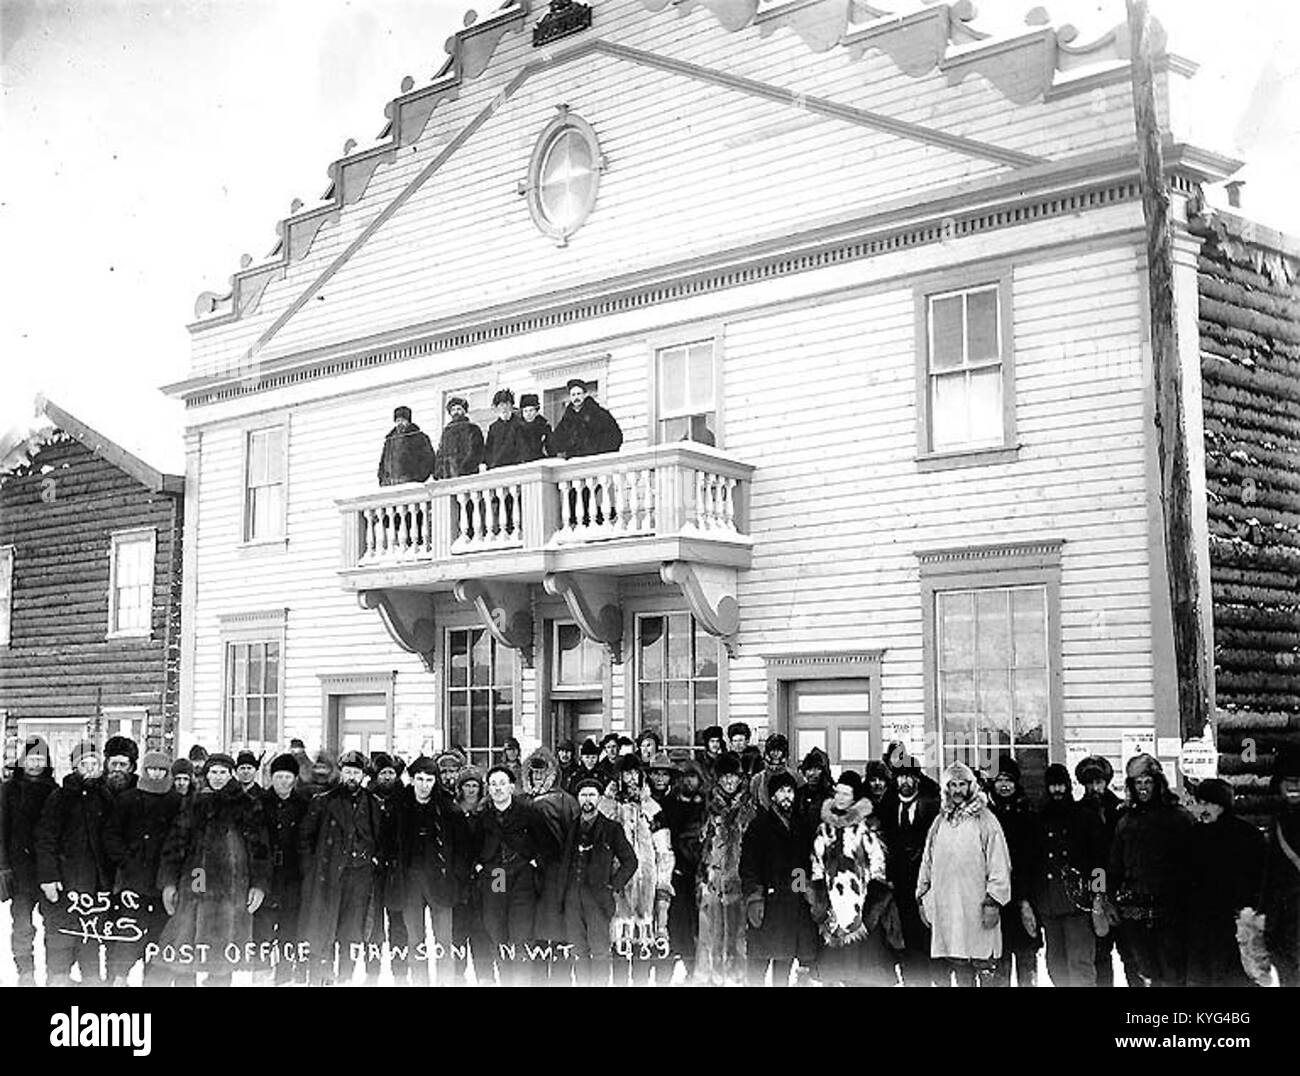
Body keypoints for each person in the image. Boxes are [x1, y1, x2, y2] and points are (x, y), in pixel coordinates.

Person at [155, 753, 270, 986]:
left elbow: (260, 849)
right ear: (206, 775)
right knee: (186, 943)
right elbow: (175, 844)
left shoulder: (247, 805)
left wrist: (259, 885)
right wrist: (168, 883)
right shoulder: (194, 803)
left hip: (233, 885)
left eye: (223, 772)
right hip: (198, 879)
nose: (218, 777)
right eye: (213, 772)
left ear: (231, 775)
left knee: (222, 954)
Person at [915, 760, 1012, 987]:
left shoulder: (986, 820)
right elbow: (927, 862)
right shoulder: (940, 821)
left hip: (978, 909)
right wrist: (923, 896)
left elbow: (999, 863)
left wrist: (993, 901)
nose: (957, 790)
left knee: (984, 966)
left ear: (971, 786)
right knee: (960, 968)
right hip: (950, 909)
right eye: (952, 785)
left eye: (962, 785)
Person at [1105, 753, 1193, 987]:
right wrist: (1109, 900)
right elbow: (1114, 866)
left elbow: (1192, 865)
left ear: (1158, 783)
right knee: (1142, 972)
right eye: (1138, 783)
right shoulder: (1125, 821)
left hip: (1171, 910)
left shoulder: (1179, 818)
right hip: (1135, 910)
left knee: (1173, 973)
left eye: (1148, 782)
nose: (1143, 788)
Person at [298, 750, 385, 985]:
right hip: (328, 876)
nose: (351, 777)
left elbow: (382, 839)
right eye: (347, 772)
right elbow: (305, 838)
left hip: (360, 876)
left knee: (352, 931)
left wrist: (375, 860)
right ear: (341, 773)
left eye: (356, 773)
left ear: (363, 775)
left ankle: (345, 978)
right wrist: (313, 869)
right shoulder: (324, 801)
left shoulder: (375, 804)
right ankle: (319, 979)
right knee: (324, 929)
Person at [809, 770, 901, 986]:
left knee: (865, 975)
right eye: (837, 793)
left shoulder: (868, 827)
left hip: (863, 912)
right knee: (833, 974)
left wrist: (870, 912)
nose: (839, 798)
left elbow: (880, 869)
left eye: (845, 794)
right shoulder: (824, 828)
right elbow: (816, 866)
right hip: (833, 913)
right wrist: (820, 902)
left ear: (854, 798)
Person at [36, 740, 116, 985]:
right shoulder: (60, 797)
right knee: (60, 940)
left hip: (94, 886)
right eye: (84, 763)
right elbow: (45, 839)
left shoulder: (105, 797)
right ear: (74, 767)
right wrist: (48, 877)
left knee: (90, 940)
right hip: (64, 884)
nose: (90, 768)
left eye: (94, 763)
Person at [473, 765, 559, 985]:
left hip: (522, 873)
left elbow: (548, 845)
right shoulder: (483, 815)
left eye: (502, 783)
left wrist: (533, 863)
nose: (498, 788)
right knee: (497, 926)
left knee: (521, 930)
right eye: (493, 784)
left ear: (512, 787)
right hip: (497, 874)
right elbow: (471, 846)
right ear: (488, 789)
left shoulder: (529, 812)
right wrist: (480, 866)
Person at [104, 750, 183, 985]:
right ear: (144, 770)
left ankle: (154, 980)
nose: (156, 774)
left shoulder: (176, 801)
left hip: (164, 878)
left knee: (160, 932)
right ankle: (120, 977)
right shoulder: (128, 799)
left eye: (161, 769)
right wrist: (126, 859)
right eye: (152, 769)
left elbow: (184, 837)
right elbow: (111, 834)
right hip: (133, 879)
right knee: (129, 929)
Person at [598, 755, 675, 985]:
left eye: (635, 773)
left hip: (646, 886)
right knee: (619, 951)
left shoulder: (652, 808)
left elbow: (664, 850)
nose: (631, 779)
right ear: (618, 776)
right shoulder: (607, 807)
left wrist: (663, 883)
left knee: (643, 948)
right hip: (617, 885)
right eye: (626, 773)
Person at [1183, 778, 1266, 987]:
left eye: (1210, 803)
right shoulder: (1193, 835)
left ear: (1224, 805)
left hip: (1235, 922)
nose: (1203, 808)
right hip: (1201, 922)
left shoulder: (1247, 835)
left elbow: (1260, 877)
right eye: (1200, 802)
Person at [391, 756, 466, 986]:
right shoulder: (398, 807)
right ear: (412, 779)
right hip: (410, 880)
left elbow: (463, 846)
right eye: (419, 779)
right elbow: (387, 842)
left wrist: (457, 876)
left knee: (444, 939)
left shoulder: (448, 808)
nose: (424, 785)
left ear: (436, 781)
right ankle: (419, 981)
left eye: (429, 780)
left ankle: (445, 981)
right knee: (415, 939)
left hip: (440, 880)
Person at [1030, 762, 1106, 987]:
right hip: (1049, 905)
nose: (1057, 791)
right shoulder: (1038, 819)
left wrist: (1098, 895)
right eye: (1053, 786)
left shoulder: (1085, 817)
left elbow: (1099, 861)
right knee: (1056, 966)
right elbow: (1033, 862)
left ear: (1069, 786)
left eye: (1061, 785)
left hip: (1079, 906)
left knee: (1080, 965)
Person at [559, 778, 638, 987]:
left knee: (600, 951)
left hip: (598, 898)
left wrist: (614, 885)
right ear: (578, 798)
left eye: (592, 795)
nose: (588, 799)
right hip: (572, 898)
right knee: (578, 951)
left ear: (600, 798)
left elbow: (631, 861)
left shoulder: (611, 828)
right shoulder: (571, 827)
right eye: (584, 795)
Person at [741, 771, 817, 986]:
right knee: (757, 967)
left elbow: (802, 863)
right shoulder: (759, 826)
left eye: (790, 791)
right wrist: (755, 897)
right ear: (772, 796)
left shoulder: (800, 826)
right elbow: (748, 866)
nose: (786, 796)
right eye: (781, 791)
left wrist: (801, 891)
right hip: (766, 903)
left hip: (790, 907)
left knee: (783, 966)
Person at [877, 752, 941, 986]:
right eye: (900, 777)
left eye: (909, 777)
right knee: (901, 936)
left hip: (924, 882)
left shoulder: (931, 806)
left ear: (917, 779)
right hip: (898, 883)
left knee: (924, 934)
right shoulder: (887, 804)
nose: (905, 782)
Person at [694, 752, 756, 985]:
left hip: (739, 881)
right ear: (718, 779)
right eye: (725, 777)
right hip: (711, 882)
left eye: (734, 777)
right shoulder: (707, 806)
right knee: (710, 933)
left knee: (738, 935)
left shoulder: (749, 808)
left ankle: (736, 978)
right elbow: (691, 840)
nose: (730, 782)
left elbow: (756, 846)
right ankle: (708, 978)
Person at [0, 736, 57, 985]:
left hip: (47, 872)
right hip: (19, 869)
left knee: (54, 925)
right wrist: (3, 866)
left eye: (40, 759)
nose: (35, 764)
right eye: (31, 758)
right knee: (22, 925)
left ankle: (55, 972)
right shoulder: (8, 790)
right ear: (23, 761)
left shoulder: (54, 791)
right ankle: (26, 971)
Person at [520, 747, 579, 982]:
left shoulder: (566, 801)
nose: (537, 777)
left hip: (555, 871)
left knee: (555, 927)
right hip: (525, 872)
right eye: (533, 773)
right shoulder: (519, 800)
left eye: (542, 773)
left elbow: (575, 836)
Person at [254, 753, 312, 985]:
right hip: (266, 876)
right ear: (271, 778)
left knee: (290, 927)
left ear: (295, 779)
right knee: (263, 928)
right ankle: (261, 974)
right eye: (278, 776)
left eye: (288, 776)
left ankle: (285, 975)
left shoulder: (304, 805)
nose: (283, 781)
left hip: (292, 875)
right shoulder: (258, 802)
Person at [985, 756, 1041, 987]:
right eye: (999, 780)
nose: (1004, 785)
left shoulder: (1028, 814)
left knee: (1027, 965)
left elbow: (1034, 860)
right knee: (999, 964)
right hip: (997, 902)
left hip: (1025, 900)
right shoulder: (985, 816)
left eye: (1008, 779)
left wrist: (1026, 899)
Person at [1076, 753, 1130, 986]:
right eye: (1089, 783)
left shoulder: (1120, 810)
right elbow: (1091, 861)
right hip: (1096, 889)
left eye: (1098, 782)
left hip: (1124, 890)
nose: (1094, 788)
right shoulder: (1079, 813)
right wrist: (1099, 893)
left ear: (1106, 782)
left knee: (1130, 953)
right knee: (1100, 952)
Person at [661, 759, 707, 982]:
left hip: (700, 872)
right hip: (676, 870)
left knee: (698, 924)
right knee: (675, 921)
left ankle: (694, 969)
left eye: (693, 776)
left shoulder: (705, 805)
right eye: (685, 776)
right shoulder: (670, 804)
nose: (689, 781)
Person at [364, 751, 407, 984]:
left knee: (399, 922)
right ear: (376, 775)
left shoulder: (404, 798)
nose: (387, 777)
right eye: (383, 773)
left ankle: (400, 972)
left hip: (397, 870)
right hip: (372, 868)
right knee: (374, 923)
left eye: (391, 773)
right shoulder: (367, 798)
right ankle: (372, 972)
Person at [1262, 743, 1300, 987]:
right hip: (1284, 920)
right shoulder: (1280, 819)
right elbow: (1272, 874)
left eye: (1299, 781)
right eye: (1289, 781)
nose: (1294, 787)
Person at [452, 764, 490, 984]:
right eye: (467, 785)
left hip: (486, 878)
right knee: (458, 930)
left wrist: (498, 887)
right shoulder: (453, 811)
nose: (471, 790)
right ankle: (458, 974)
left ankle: (485, 976)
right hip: (460, 879)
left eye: (475, 785)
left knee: (483, 931)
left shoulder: (487, 811)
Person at [549, 378, 623, 459]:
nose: (576, 397)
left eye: (578, 394)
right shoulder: (566, 420)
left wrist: (601, 453)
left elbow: (615, 435)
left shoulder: (598, 414)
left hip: (595, 461)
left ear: (584, 394)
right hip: (575, 463)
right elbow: (555, 442)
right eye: (573, 395)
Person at [377, 405, 436, 485]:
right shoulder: (389, 441)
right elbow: (382, 463)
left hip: (410, 483)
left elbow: (428, 459)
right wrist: (382, 479)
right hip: (390, 484)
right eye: (398, 420)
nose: (400, 423)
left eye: (403, 420)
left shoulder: (418, 437)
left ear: (408, 421)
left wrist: (417, 478)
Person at [749, 734, 804, 811]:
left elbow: (800, 804)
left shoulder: (796, 777)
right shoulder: (757, 779)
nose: (775, 753)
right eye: (772, 750)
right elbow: (752, 805)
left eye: (779, 750)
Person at [435, 396, 485, 479]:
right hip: (449, 475)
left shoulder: (472, 428)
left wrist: (465, 468)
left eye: (459, 409)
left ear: (464, 411)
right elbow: (441, 453)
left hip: (467, 474)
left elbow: (476, 451)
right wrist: (439, 471)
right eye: (453, 410)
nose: (456, 412)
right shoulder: (447, 432)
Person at [483, 389, 525, 470]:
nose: (504, 407)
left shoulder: (520, 424)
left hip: (515, 468)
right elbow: (488, 450)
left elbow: (523, 449)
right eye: (501, 405)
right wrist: (489, 465)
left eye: (507, 404)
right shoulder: (493, 427)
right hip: (496, 468)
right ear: (496, 407)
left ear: (512, 406)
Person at [794, 747, 833, 833]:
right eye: (809, 769)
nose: (812, 773)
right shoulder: (799, 793)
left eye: (817, 769)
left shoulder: (830, 795)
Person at [515, 393, 551, 462]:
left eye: (531, 410)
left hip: (539, 462)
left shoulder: (544, 427)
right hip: (521, 464)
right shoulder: (516, 428)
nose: (528, 414)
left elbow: (550, 448)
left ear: (536, 412)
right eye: (525, 411)